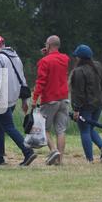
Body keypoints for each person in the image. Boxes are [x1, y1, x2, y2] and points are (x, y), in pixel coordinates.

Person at [0, 35, 37, 166]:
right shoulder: (15, 56)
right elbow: (22, 78)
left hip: (2, 99)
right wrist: (25, 100)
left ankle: (28, 151)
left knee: (8, 127)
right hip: (14, 97)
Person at [32, 35, 70, 166]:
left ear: (48, 45)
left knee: (43, 128)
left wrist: (34, 98)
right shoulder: (65, 59)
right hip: (64, 98)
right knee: (61, 130)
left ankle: (53, 151)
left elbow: (41, 81)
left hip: (50, 99)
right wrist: (46, 55)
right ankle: (60, 160)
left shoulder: (45, 61)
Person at [70, 44, 102, 163]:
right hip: (99, 103)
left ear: (80, 58)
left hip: (85, 106)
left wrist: (76, 110)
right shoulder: (98, 65)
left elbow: (78, 93)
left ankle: (89, 159)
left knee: (84, 131)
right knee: (90, 128)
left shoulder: (78, 71)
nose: (75, 58)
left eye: (76, 57)